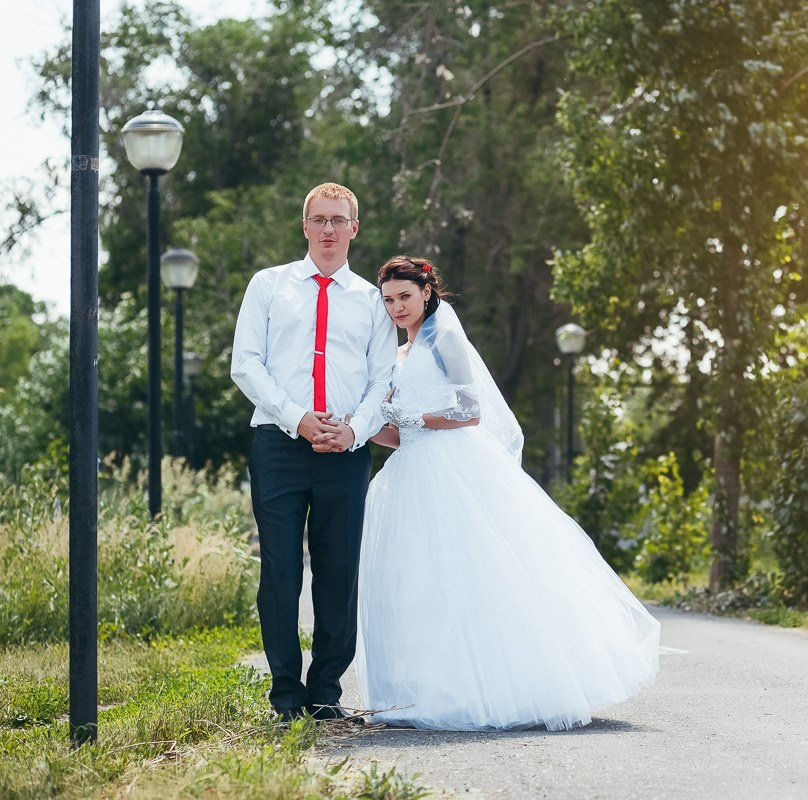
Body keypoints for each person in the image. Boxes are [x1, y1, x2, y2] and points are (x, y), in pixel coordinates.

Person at [354, 255, 661, 731]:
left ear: (427, 292)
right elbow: (396, 435)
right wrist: (364, 426)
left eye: (405, 296)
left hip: (452, 467)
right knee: (418, 583)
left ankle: (496, 689)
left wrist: (411, 417)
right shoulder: (398, 354)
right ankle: (427, 693)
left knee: (469, 576)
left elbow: (470, 410)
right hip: (409, 470)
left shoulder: (445, 337)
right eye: (389, 299)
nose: (396, 307)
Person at [231, 183, 396, 722]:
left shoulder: (372, 301)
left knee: (338, 571)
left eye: (338, 220)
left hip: (345, 450)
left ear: (354, 228)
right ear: (304, 226)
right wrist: (296, 417)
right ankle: (286, 695)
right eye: (319, 219)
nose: (328, 229)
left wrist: (354, 431)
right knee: (280, 571)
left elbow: (382, 379)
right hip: (278, 444)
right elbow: (246, 364)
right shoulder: (268, 286)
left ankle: (325, 692)